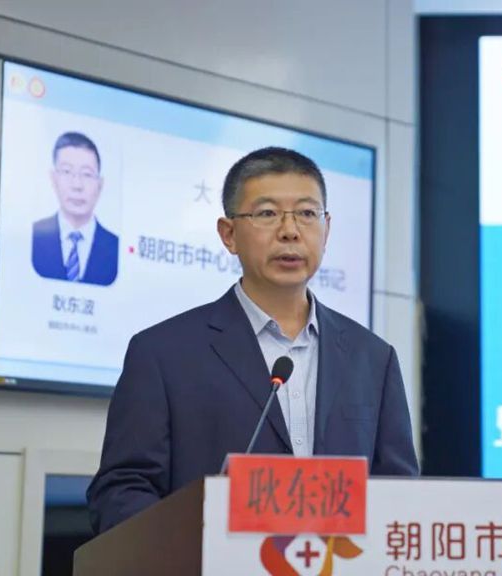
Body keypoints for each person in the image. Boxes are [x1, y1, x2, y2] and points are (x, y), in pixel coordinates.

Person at [87, 147, 418, 533]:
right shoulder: (162, 354)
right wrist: (194, 546)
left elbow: (400, 493)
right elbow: (122, 491)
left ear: (326, 229)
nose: (290, 231)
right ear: (229, 234)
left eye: (307, 214)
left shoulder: (373, 359)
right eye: (267, 214)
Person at [32, 131, 119, 286]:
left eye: (87, 174)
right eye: (67, 172)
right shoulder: (33, 236)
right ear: (53, 179)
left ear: (100, 184)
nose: (77, 185)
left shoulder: (116, 247)